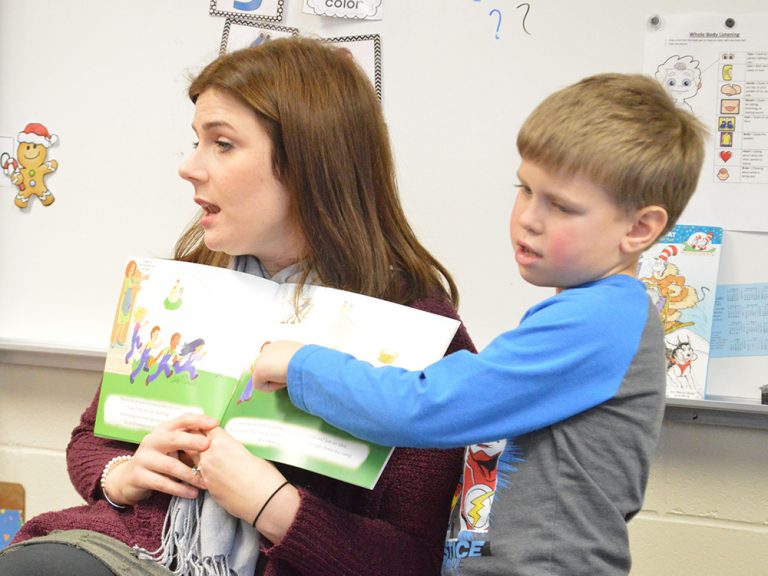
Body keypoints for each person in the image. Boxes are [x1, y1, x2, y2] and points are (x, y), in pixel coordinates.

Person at [0, 37, 475, 576]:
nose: (189, 167)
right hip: (126, 548)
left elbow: (413, 560)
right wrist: (124, 473)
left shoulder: (420, 333)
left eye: (222, 144)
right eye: (196, 141)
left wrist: (273, 507)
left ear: (309, 164)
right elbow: (90, 439)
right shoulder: (186, 286)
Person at [248, 73, 708, 575]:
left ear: (639, 228)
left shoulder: (599, 320)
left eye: (561, 206)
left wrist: (302, 366)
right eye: (525, 189)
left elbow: (429, 407)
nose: (529, 218)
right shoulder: (589, 313)